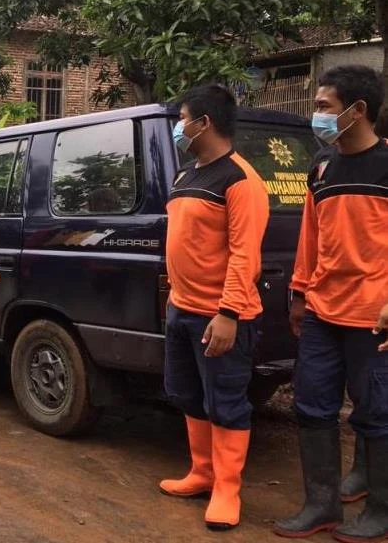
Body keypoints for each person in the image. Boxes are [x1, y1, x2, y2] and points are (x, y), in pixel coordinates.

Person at [274, 65, 388, 542]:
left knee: (377, 412)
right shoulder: (321, 167)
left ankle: (381, 510)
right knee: (313, 404)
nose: (317, 116)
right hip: (323, 311)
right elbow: (311, 239)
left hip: (373, 316)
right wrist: (300, 294)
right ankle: (321, 505)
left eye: (324, 107)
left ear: (358, 110)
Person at [159, 85, 269, 531]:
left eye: (183, 117)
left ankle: (227, 488)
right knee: (187, 394)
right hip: (180, 308)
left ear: (203, 122)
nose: (179, 126)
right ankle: (202, 473)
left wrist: (228, 312)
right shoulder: (187, 175)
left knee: (226, 401)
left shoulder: (240, 179)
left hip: (220, 315)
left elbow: (245, 254)